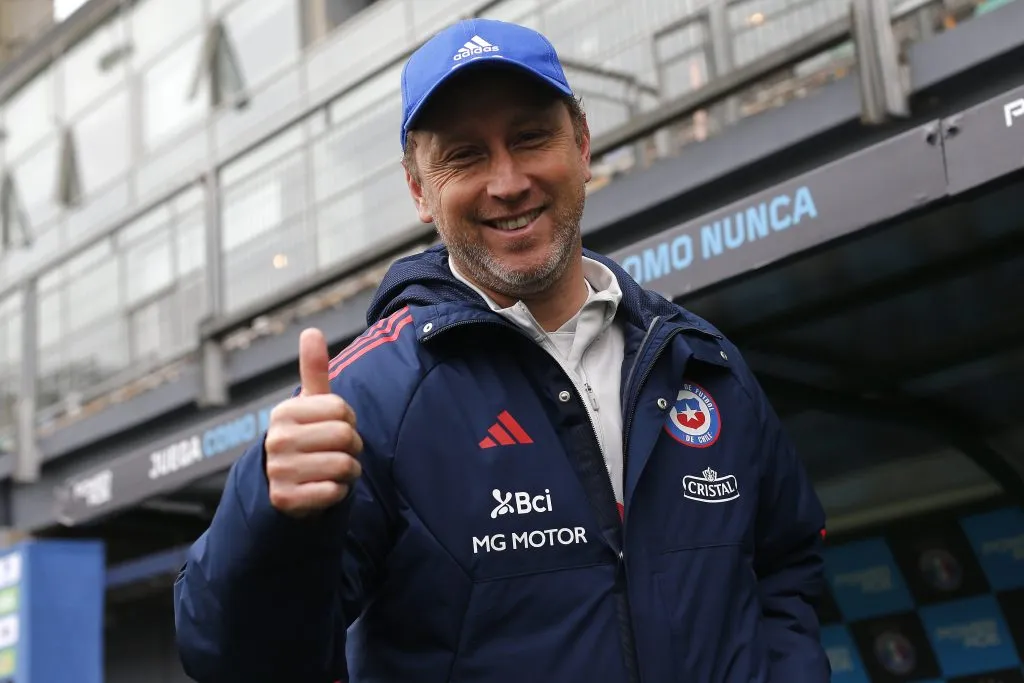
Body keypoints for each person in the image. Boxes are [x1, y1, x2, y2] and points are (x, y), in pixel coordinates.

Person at [173, 17, 831, 683]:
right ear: (418, 190)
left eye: (531, 137)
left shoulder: (700, 361)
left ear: (581, 144)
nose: (508, 181)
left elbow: (787, 568)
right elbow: (233, 657)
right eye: (465, 156)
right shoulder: (363, 400)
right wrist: (269, 510)